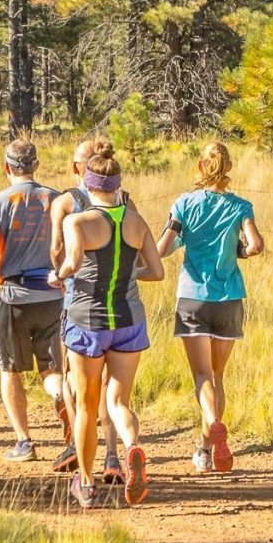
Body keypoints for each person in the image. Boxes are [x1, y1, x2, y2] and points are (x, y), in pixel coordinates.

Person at [56, 139, 165, 506]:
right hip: (129, 320)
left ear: (87, 185)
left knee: (86, 404)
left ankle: (86, 483)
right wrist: (126, 274)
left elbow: (71, 263)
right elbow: (158, 271)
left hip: (88, 321)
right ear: (118, 185)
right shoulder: (136, 221)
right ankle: (132, 447)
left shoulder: (78, 221)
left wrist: (61, 274)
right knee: (117, 399)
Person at [163, 141, 266, 473]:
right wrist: (237, 251)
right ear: (228, 167)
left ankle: (211, 426)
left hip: (193, 297)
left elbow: (164, 247)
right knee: (217, 375)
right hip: (229, 298)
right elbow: (256, 245)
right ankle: (206, 446)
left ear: (199, 166)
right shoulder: (240, 206)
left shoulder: (184, 204)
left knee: (202, 376)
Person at [0, 140, 71, 462]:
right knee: (51, 366)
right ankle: (61, 399)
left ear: (6, 167)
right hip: (53, 294)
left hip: (14, 296)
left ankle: (24, 442)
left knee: (10, 370)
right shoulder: (57, 199)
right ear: (36, 165)